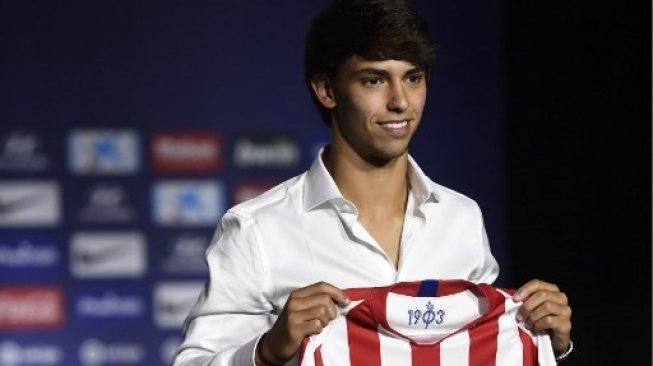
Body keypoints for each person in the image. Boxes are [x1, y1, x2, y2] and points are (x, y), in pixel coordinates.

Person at [172, 1, 573, 365]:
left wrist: (544, 337)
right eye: (374, 80)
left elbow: (482, 350)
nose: (401, 101)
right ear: (327, 89)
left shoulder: (461, 217)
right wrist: (267, 351)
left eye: (413, 78)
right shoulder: (257, 229)